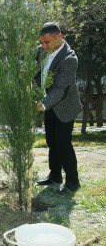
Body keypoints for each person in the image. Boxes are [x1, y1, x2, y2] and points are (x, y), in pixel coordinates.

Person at [35, 22, 82, 193]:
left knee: (63, 143)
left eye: (47, 42)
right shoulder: (42, 51)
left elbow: (61, 89)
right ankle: (55, 175)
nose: (43, 46)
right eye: (42, 42)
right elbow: (36, 71)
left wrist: (43, 104)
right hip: (49, 105)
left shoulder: (69, 58)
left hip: (64, 106)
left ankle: (73, 180)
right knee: (51, 142)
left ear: (59, 37)